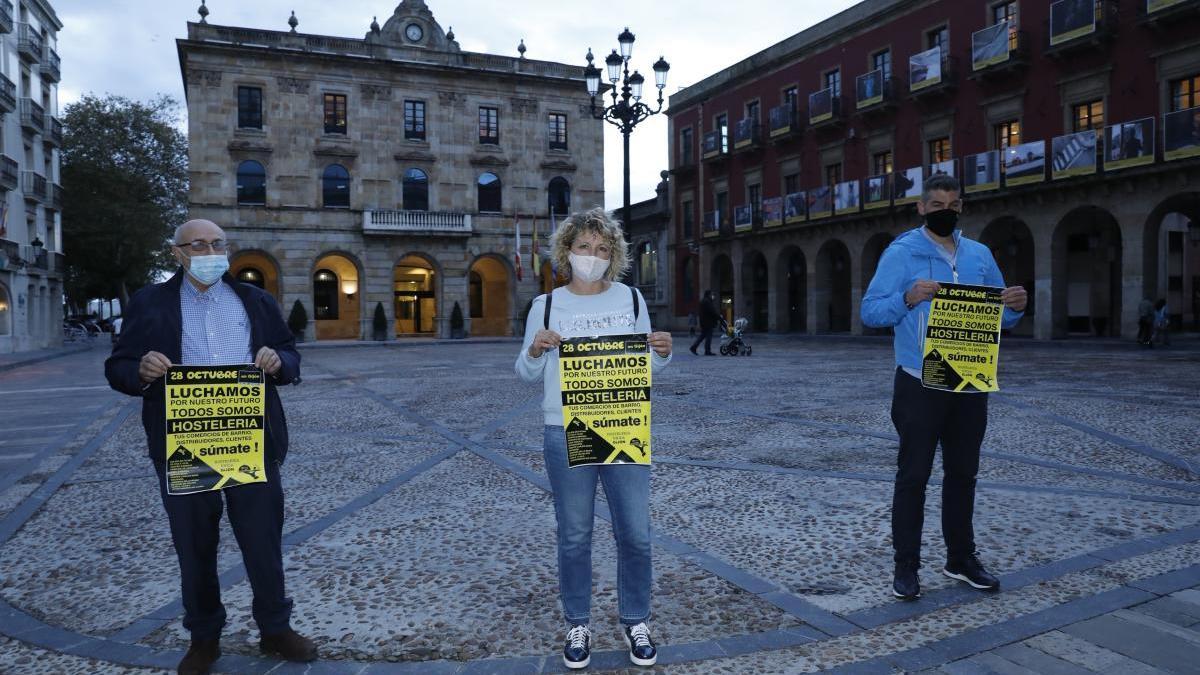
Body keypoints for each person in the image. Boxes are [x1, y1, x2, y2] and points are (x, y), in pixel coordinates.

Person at [105, 220, 316, 674]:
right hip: (185, 441)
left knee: (262, 541)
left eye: (218, 244)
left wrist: (280, 362)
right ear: (177, 253)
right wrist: (138, 369)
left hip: (249, 437)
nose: (209, 251)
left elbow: (290, 352)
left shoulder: (254, 299)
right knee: (194, 544)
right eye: (198, 244)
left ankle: (275, 628)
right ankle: (204, 638)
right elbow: (117, 364)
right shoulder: (150, 301)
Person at [515, 207, 672, 670]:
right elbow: (524, 373)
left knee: (636, 533)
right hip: (566, 429)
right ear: (567, 251)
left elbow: (646, 366)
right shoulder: (545, 305)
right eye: (584, 247)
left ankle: (636, 619)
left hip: (622, 424)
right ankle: (578, 622)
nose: (592, 255)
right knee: (575, 535)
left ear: (614, 255)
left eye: (602, 249)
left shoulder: (631, 299)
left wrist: (662, 353)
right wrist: (535, 349)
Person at [861, 175, 1027, 601]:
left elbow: (1000, 316)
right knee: (913, 476)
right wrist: (908, 298)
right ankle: (906, 566)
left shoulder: (980, 255)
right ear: (921, 208)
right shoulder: (901, 253)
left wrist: (1014, 308)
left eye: (952, 204)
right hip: (919, 381)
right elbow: (871, 311)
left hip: (970, 381)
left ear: (962, 207)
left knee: (963, 474)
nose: (945, 211)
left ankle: (961, 558)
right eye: (936, 204)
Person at [690, 290, 720, 355]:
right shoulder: (707, 302)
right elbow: (712, 311)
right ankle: (707, 351)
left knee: (703, 335)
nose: (713, 296)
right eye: (712, 294)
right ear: (708, 294)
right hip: (707, 322)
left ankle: (694, 347)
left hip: (704, 322)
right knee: (708, 336)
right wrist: (718, 317)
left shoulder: (705, 301)